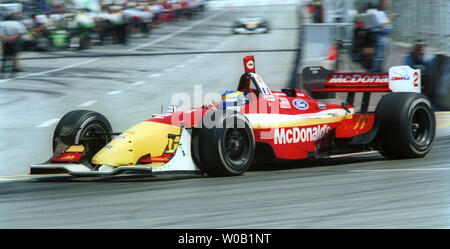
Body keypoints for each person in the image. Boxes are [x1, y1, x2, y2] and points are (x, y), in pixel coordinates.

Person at [369, 0, 396, 72]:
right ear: (381, 4)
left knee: (385, 55)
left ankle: (380, 70)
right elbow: (382, 25)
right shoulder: (377, 12)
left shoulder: (383, 12)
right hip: (380, 35)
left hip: (384, 35)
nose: (387, 5)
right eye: (386, 3)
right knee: (379, 56)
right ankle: (375, 72)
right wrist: (390, 18)